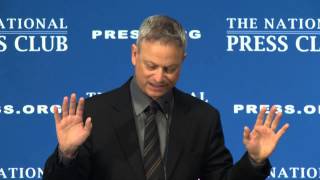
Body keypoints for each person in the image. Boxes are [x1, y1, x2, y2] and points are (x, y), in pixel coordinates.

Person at [43, 15, 289, 180]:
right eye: (151, 65)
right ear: (134, 54)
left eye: (169, 68)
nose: (159, 77)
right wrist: (66, 155)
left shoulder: (203, 118)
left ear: (182, 61)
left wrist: (254, 161)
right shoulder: (94, 114)